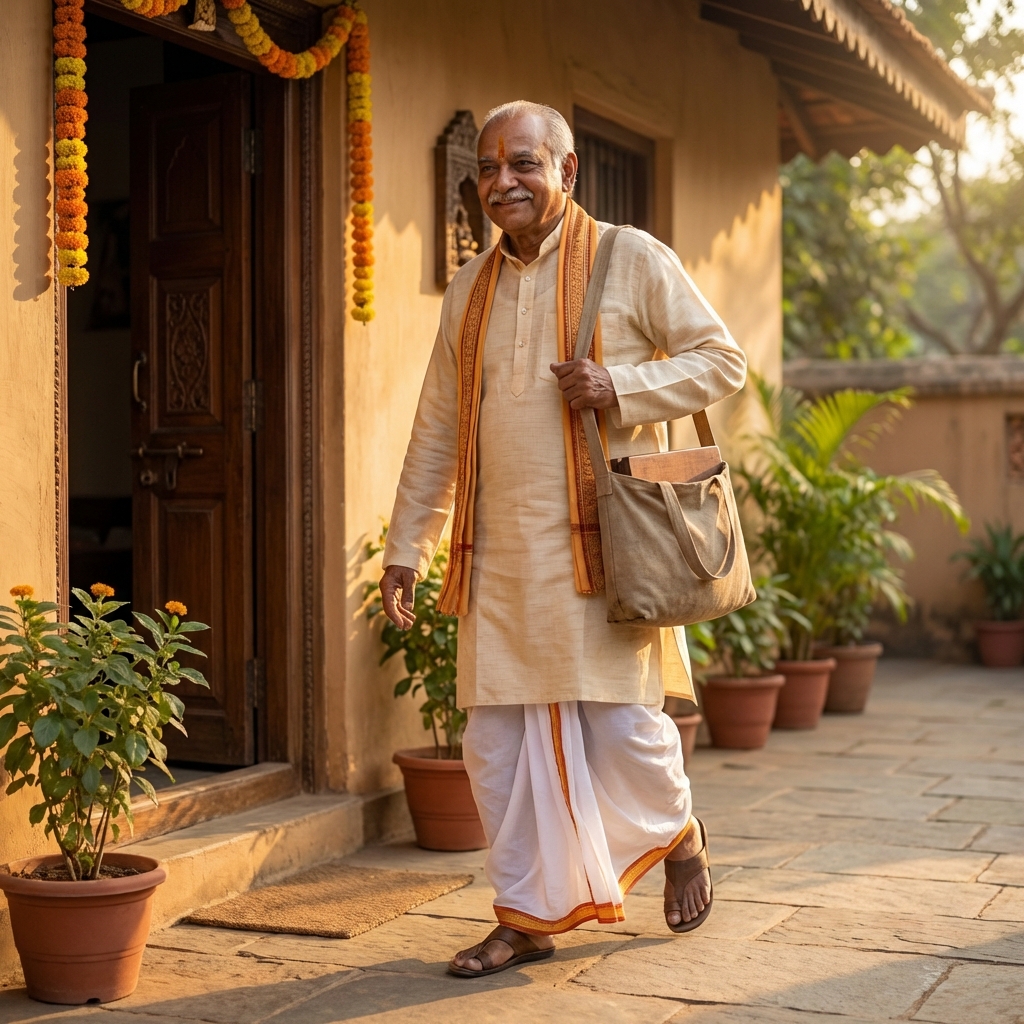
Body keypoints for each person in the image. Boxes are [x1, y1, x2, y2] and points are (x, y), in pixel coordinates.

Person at [379, 100, 746, 977]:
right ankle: (526, 917)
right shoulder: (468, 289)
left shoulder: (631, 258)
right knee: (495, 749)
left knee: (625, 730)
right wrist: (407, 546)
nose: (503, 181)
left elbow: (720, 359)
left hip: (601, 549)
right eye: (489, 168)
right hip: (498, 558)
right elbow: (436, 428)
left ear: (568, 171)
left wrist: (618, 384)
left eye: (525, 164)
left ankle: (681, 834)